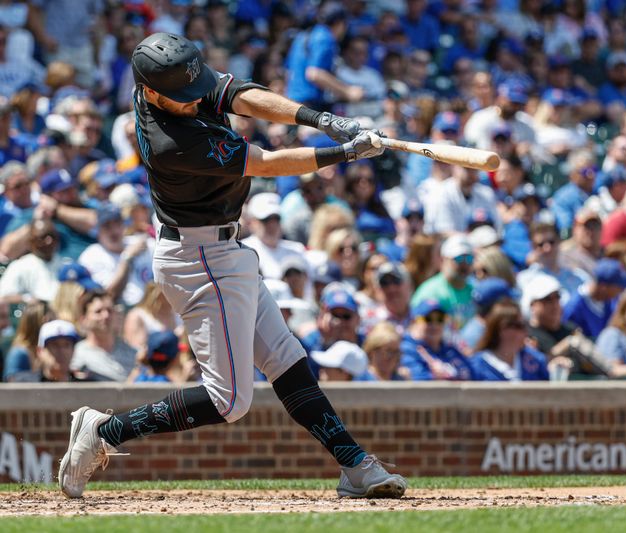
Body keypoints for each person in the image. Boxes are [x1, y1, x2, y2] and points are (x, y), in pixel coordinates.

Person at [58, 33, 405, 500]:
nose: (196, 97)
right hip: (198, 259)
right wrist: (342, 153)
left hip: (223, 248)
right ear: (152, 93)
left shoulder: (173, 84)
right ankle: (104, 432)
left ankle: (354, 465)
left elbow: (243, 95)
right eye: (183, 96)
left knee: (285, 357)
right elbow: (265, 163)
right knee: (229, 401)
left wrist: (322, 119)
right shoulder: (169, 141)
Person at [470, 305, 554, 381]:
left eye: (525, 325)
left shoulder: (535, 360)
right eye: (519, 326)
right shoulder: (477, 366)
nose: (526, 332)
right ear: (501, 328)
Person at [69, 290, 137, 383]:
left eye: (110, 310)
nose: (106, 315)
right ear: (83, 319)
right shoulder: (76, 355)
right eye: (98, 312)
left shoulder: (133, 354)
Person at [411, 235, 475, 331]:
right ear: (443, 259)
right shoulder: (429, 291)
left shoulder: (475, 290)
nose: (464, 264)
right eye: (459, 258)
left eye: (469, 258)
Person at [400, 299, 474, 381]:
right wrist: (435, 377)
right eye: (428, 319)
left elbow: (473, 375)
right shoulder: (406, 349)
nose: (435, 325)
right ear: (414, 321)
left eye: (440, 319)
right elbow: (417, 382)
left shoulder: (450, 351)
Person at [562, 258, 626, 340]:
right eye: (619, 287)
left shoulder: (608, 301)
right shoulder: (573, 308)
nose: (621, 291)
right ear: (603, 287)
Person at [10, 319, 80, 383]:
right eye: (54, 345)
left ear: (74, 350)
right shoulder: (23, 384)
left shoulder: (86, 384)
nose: (61, 351)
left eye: (66, 345)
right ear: (40, 351)